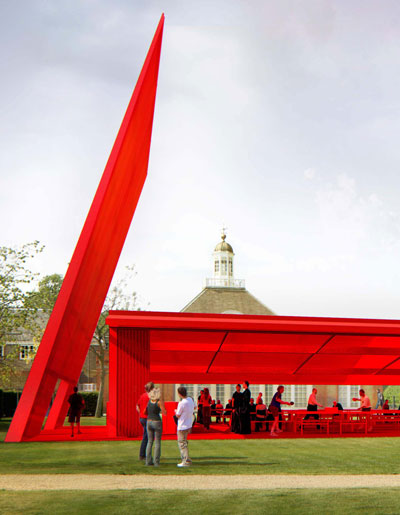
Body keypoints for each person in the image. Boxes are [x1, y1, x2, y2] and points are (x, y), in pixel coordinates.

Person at [145, 387, 166, 467]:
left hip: (149, 421)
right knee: (157, 442)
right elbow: (164, 412)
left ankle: (148, 461)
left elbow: (145, 411)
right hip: (157, 421)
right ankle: (156, 462)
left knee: (149, 441)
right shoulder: (159, 402)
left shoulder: (149, 402)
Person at [175, 386, 195, 467]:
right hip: (188, 423)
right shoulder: (190, 399)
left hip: (182, 425)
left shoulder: (182, 403)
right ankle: (187, 458)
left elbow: (178, 415)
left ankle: (185, 460)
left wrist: (176, 412)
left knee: (182, 443)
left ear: (179, 394)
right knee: (185, 442)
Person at [136, 381, 154, 461]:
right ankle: (143, 455)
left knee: (146, 436)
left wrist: (140, 413)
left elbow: (137, 406)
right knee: (147, 437)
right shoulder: (151, 397)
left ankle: (143, 454)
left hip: (142, 418)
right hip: (148, 418)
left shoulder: (142, 396)